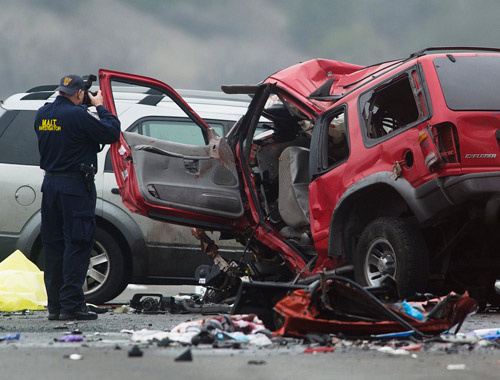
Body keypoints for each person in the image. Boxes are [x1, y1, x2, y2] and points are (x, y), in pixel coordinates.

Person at [34, 74, 121, 320]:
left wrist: (83, 105)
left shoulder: (42, 114)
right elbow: (112, 131)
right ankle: (72, 306)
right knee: (78, 243)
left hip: (50, 185)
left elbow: (64, 131)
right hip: (75, 187)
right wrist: (100, 105)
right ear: (80, 94)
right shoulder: (79, 116)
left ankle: (56, 307)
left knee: (53, 247)